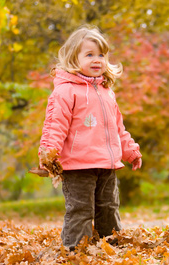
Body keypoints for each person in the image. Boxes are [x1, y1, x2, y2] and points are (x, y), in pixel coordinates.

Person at [39, 25, 142, 251]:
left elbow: (117, 128)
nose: (97, 60)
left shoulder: (106, 92)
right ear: (74, 58)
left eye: (101, 55)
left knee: (108, 207)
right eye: (89, 55)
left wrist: (131, 151)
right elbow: (55, 126)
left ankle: (110, 246)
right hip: (78, 166)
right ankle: (76, 250)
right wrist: (48, 154)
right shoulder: (66, 91)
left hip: (107, 164)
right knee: (80, 209)